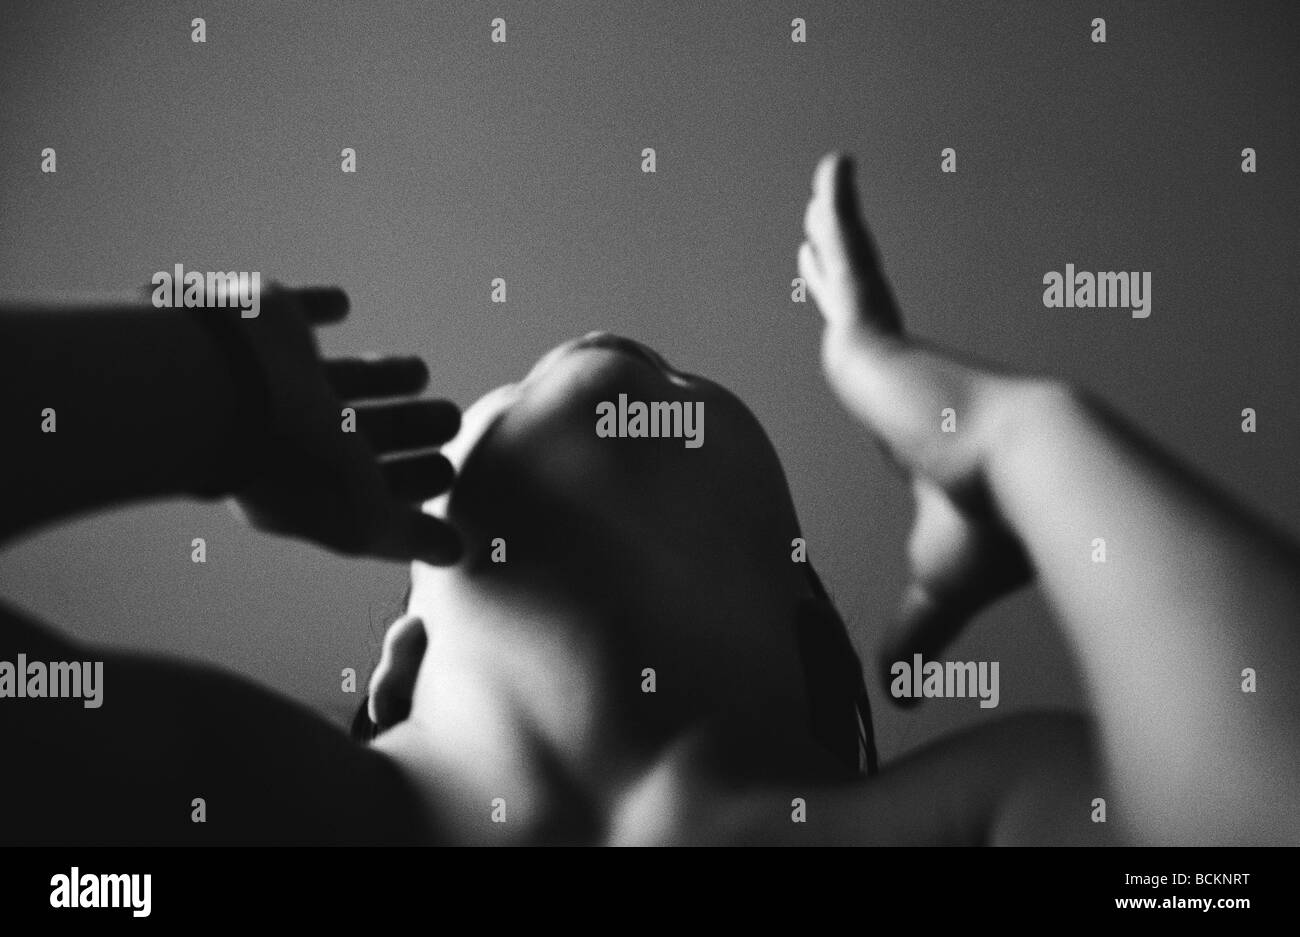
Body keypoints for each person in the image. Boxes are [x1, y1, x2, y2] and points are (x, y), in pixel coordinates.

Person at [2, 153, 1296, 846]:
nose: (608, 350)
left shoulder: (978, 815)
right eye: (512, 403)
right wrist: (209, 388)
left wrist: (1017, 431)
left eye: (680, 396)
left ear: (809, 645)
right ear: (396, 669)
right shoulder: (242, 805)